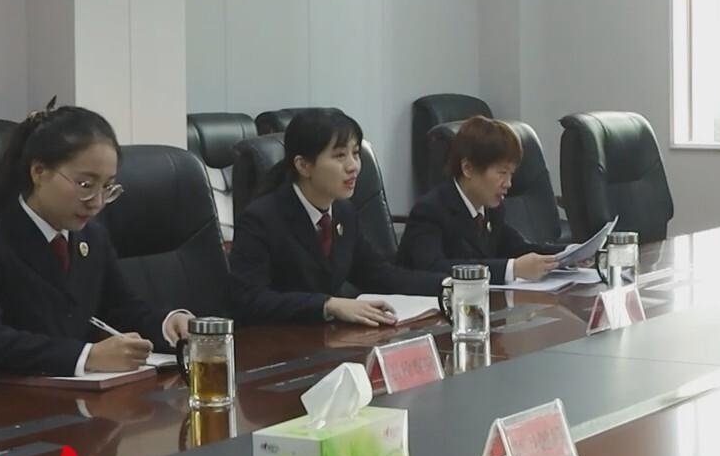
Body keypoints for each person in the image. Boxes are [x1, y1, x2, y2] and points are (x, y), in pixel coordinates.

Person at [0, 103, 192, 377]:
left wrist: (169, 324)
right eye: (85, 185)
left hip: (82, 394)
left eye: (107, 187)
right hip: (7, 395)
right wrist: (86, 356)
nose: (97, 202)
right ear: (39, 172)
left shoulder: (92, 237)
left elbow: (121, 308)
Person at [226, 108, 444, 325]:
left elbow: (380, 275)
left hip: (326, 336)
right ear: (303, 165)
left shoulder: (344, 212)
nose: (353, 166)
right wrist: (327, 305)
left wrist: (448, 284)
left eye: (356, 153)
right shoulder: (262, 218)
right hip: (276, 339)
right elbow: (249, 300)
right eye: (340, 155)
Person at [398, 116, 566, 282]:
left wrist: (567, 254)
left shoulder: (491, 208)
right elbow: (434, 267)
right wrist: (511, 269)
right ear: (468, 168)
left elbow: (517, 247)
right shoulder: (430, 211)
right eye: (502, 173)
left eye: (511, 174)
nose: (508, 183)